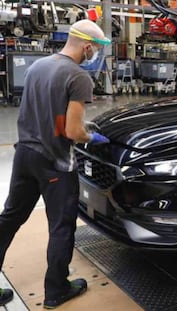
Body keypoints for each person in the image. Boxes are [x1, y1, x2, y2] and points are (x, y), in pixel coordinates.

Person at [0, 19, 110, 308]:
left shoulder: (38, 66)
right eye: (96, 49)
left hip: (25, 155)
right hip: (54, 163)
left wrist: (72, 124)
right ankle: (57, 290)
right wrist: (90, 136)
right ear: (87, 46)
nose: (95, 55)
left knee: (9, 218)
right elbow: (72, 133)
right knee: (61, 227)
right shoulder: (78, 76)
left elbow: (45, 112)